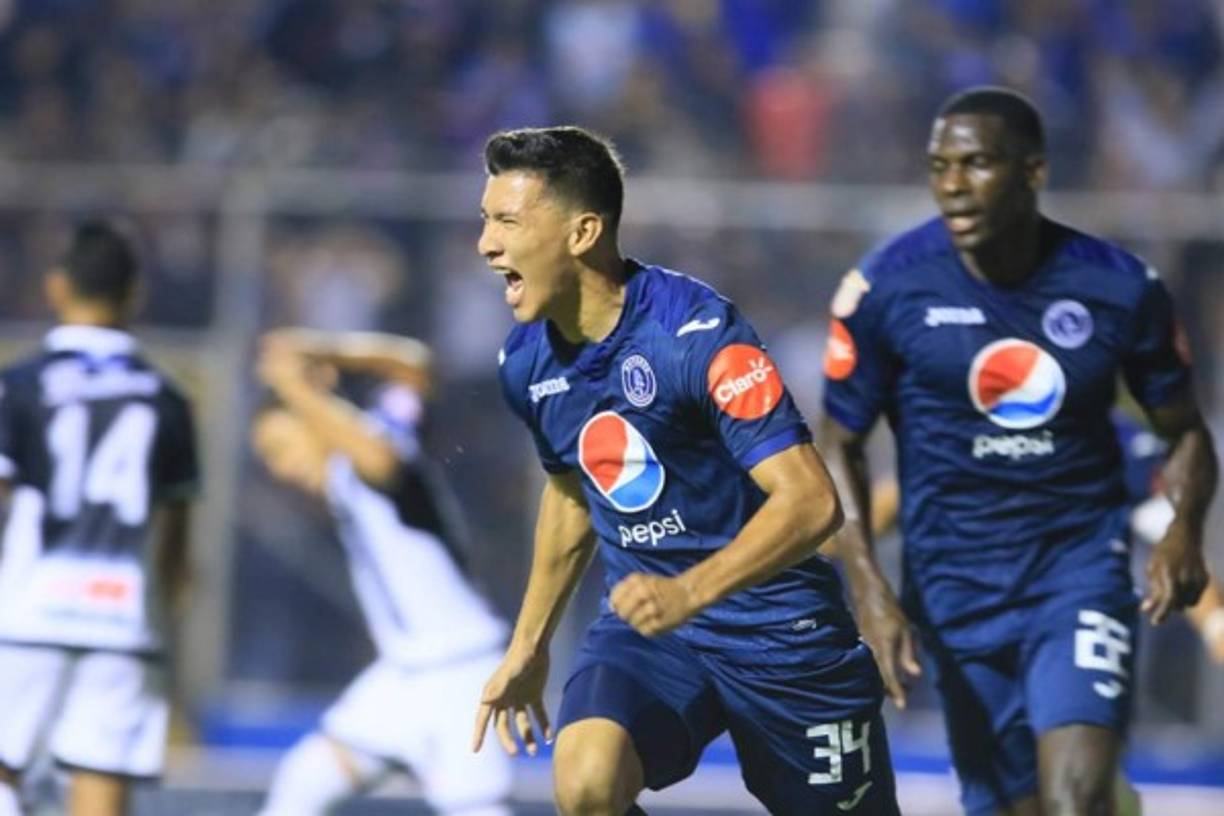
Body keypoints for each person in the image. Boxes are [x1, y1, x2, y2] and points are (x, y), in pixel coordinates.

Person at [470, 126, 900, 815]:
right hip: (652, 632)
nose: (487, 245)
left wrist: (691, 591)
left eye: (507, 222)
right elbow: (571, 491)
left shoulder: (697, 336)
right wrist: (528, 646)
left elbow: (812, 503)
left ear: (582, 233)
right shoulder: (524, 362)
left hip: (780, 632)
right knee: (585, 783)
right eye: (486, 220)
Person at [819, 86, 1219, 816]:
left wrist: (1186, 528)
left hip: (1077, 571)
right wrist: (869, 589)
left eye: (976, 164)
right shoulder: (887, 287)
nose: (952, 184)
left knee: (1075, 795)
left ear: (1033, 171)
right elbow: (839, 442)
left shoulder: (1119, 288)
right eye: (939, 166)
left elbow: (1185, 430)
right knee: (1015, 805)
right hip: (950, 586)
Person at [252, 328, 512, 816]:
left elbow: (413, 372)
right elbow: (415, 370)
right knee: (303, 781)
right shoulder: (355, 463)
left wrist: (306, 377)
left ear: (315, 419)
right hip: (404, 673)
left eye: (280, 450)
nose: (281, 470)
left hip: (461, 669)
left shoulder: (370, 449)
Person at [0, 221, 199, 816]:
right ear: (134, 294)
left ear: (56, 287)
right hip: (123, 618)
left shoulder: (22, 385)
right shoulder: (168, 398)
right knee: (101, 785)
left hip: (29, 611)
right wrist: (158, 617)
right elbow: (176, 539)